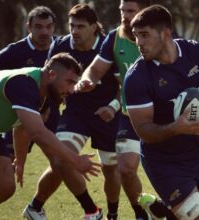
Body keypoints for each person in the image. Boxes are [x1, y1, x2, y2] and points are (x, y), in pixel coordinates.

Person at [122, 5, 199, 219]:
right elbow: (144, 130)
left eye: (145, 35)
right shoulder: (136, 77)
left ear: (166, 34)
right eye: (137, 36)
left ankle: (165, 214)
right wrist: (177, 127)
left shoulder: (194, 52)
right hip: (164, 162)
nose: (139, 43)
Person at [23, 4, 120, 220]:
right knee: (60, 160)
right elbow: (49, 81)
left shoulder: (108, 47)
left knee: (111, 169)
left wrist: (113, 107)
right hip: (75, 112)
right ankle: (89, 211)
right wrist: (46, 107)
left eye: (81, 26)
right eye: (71, 25)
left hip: (107, 114)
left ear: (94, 27)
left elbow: (126, 86)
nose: (74, 31)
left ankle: (112, 215)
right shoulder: (60, 45)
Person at [0, 52, 100, 219]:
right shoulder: (24, 83)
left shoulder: (41, 91)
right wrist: (77, 160)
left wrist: (20, 161)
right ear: (51, 75)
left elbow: (23, 128)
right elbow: (38, 132)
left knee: (5, 187)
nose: (72, 89)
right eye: (70, 82)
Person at [75, 1, 164, 219]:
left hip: (164, 115)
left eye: (130, 11)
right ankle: (142, 215)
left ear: (144, 11)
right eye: (122, 10)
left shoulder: (162, 37)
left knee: (166, 171)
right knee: (125, 169)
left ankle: (170, 208)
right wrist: (87, 80)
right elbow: (95, 69)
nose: (124, 15)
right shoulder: (114, 38)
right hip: (130, 115)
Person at [0, 5, 60, 160]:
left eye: (49, 27)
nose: (44, 32)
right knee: (7, 161)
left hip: (51, 114)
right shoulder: (12, 53)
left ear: (54, 27)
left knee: (61, 160)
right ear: (29, 27)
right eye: (38, 27)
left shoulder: (60, 48)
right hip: (17, 116)